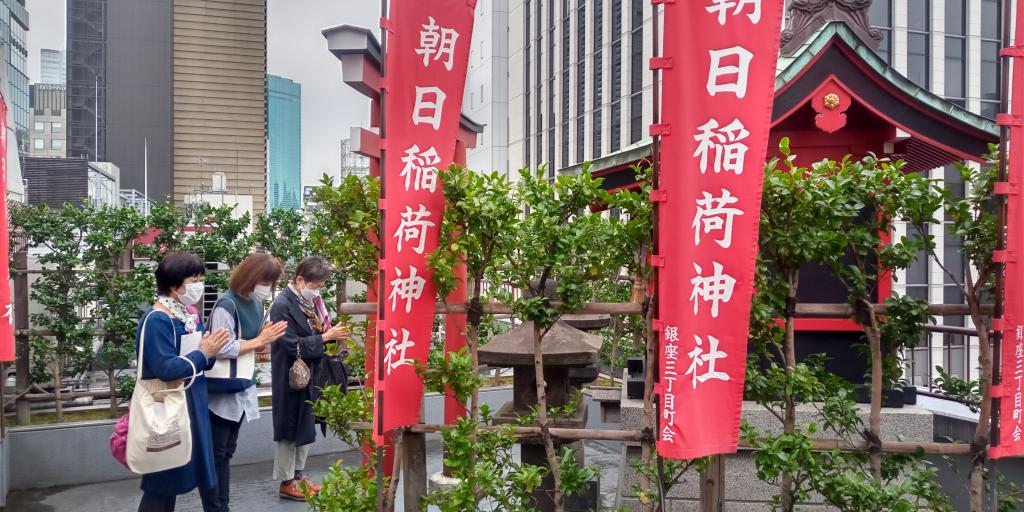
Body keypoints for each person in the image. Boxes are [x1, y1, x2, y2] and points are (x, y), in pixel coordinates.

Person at [137, 252, 230, 512]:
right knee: (164, 477)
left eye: (200, 278)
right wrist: (203, 353)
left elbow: (201, 362)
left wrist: (209, 351)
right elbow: (165, 368)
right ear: (174, 284)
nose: (198, 285)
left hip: (192, 402)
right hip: (167, 406)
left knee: (185, 471)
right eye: (193, 279)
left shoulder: (188, 315)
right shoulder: (157, 319)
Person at [200, 253, 289, 512]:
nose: (268, 288)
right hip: (221, 388)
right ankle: (216, 507)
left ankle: (222, 504)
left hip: (240, 384)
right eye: (266, 281)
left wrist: (263, 338)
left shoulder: (254, 304)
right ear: (251, 277)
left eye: (271, 283)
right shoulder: (227, 304)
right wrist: (259, 341)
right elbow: (220, 347)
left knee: (226, 451)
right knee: (218, 453)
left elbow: (253, 342)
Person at [269, 256, 350, 501]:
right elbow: (291, 345)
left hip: (310, 374)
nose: (318, 290)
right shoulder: (282, 305)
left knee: (304, 427)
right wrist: (325, 338)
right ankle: (286, 481)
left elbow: (314, 334)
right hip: (291, 376)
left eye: (322, 286)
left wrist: (328, 335)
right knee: (289, 428)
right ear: (300, 280)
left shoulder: (308, 302)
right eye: (316, 285)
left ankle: (299, 475)